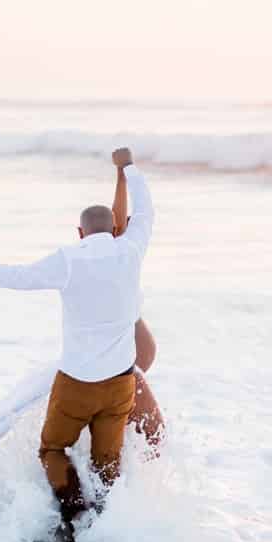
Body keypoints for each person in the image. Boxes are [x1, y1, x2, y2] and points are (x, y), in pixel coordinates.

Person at [0, 147, 153, 529]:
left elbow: (9, 277)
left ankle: (72, 511)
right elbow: (145, 207)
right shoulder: (132, 249)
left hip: (77, 383)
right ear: (116, 229)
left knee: (52, 449)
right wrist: (126, 167)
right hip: (120, 386)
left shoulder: (67, 260)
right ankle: (107, 528)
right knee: (108, 465)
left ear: (80, 233)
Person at [112, 158, 165, 450]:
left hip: (127, 364)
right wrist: (124, 174)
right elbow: (125, 216)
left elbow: (127, 217)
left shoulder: (125, 252)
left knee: (142, 438)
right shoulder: (119, 250)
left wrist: (123, 175)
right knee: (152, 439)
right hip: (123, 365)